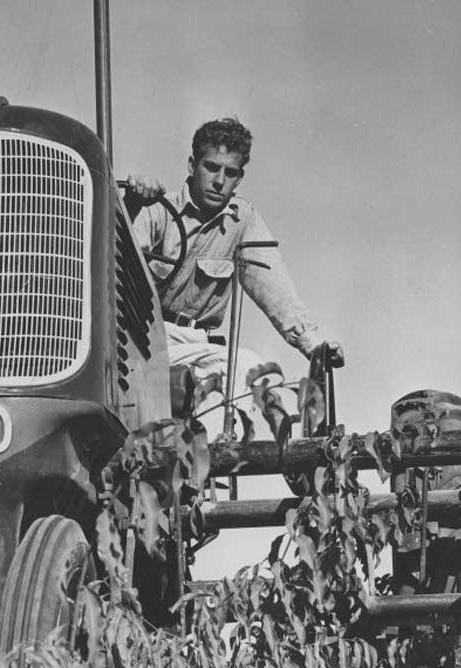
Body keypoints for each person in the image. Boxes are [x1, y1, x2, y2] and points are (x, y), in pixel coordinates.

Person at [123, 117, 343, 435]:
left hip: (199, 345)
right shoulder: (157, 210)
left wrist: (314, 345)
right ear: (191, 165)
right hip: (146, 340)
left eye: (230, 173)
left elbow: (273, 283)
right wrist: (132, 204)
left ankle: (237, 464)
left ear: (239, 179)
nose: (219, 181)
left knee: (252, 371)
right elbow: (122, 259)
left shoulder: (243, 220)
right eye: (211, 167)